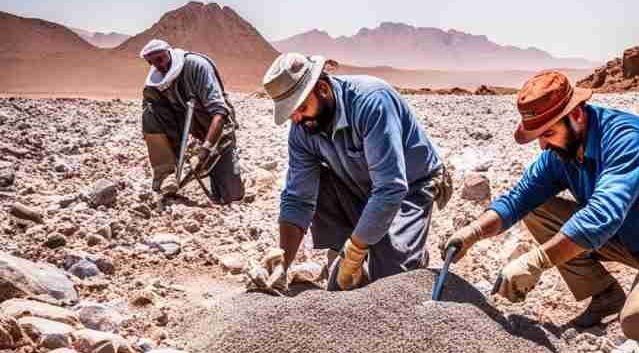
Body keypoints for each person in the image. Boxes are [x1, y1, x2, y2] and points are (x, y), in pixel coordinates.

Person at [443, 71, 639, 342]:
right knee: (537, 209)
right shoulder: (561, 151)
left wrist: (537, 261)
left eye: (548, 133)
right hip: (631, 238)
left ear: (577, 115)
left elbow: (603, 215)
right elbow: (518, 199)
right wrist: (472, 233)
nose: (542, 144)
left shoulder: (626, 138)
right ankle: (606, 297)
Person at [261, 52, 451, 293]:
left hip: (411, 185)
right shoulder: (302, 128)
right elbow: (297, 197)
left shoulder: (371, 102)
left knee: (389, 283)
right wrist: (283, 264)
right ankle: (352, 250)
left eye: (301, 107)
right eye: (291, 114)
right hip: (361, 184)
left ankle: (407, 256)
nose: (297, 118)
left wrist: (356, 250)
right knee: (344, 286)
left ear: (322, 89)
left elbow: (391, 186)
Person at [140, 38, 244, 204]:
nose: (158, 65)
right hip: (188, 126)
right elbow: (151, 115)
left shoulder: (196, 66)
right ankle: (166, 176)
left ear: (169, 53)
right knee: (150, 111)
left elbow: (220, 112)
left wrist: (203, 152)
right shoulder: (156, 81)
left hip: (216, 129)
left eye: (160, 59)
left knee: (231, 195)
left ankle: (220, 174)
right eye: (152, 62)